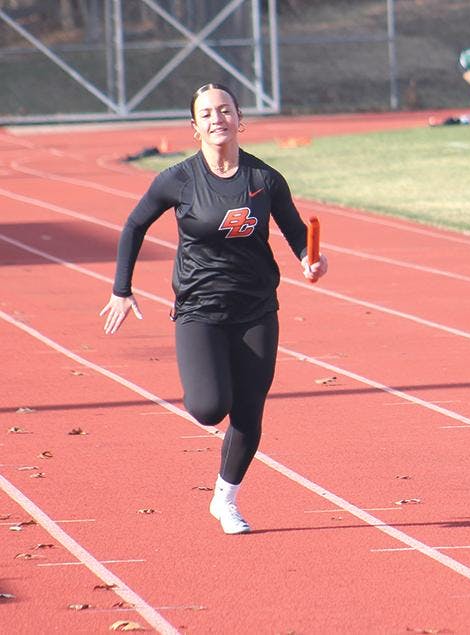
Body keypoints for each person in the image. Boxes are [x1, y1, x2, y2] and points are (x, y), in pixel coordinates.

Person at [100, 83, 329, 534]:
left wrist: (310, 258)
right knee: (209, 407)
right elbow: (134, 224)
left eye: (225, 111)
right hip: (199, 309)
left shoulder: (265, 180)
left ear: (240, 119)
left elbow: (296, 232)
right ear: (195, 127)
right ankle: (220, 468)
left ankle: (226, 498)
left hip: (256, 308)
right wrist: (121, 289)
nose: (217, 119)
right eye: (206, 114)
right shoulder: (178, 179)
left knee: (248, 412)